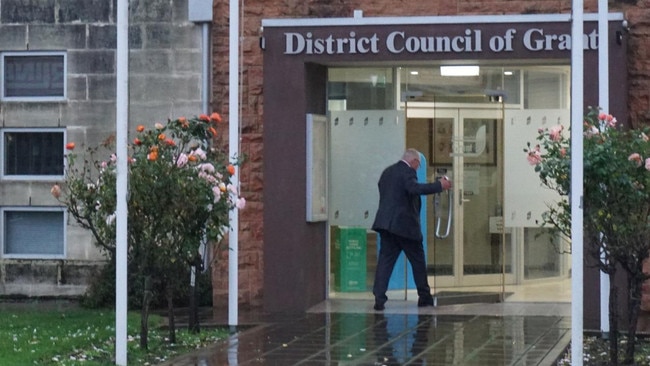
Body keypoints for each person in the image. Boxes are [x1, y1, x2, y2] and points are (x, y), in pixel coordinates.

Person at [371, 148, 452, 310]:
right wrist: (439, 185)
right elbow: (415, 189)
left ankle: (379, 298)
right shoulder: (407, 172)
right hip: (405, 227)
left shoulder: (388, 172)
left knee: (385, 262)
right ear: (414, 161)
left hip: (386, 225)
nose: (417, 168)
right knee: (418, 262)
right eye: (418, 165)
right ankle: (424, 296)